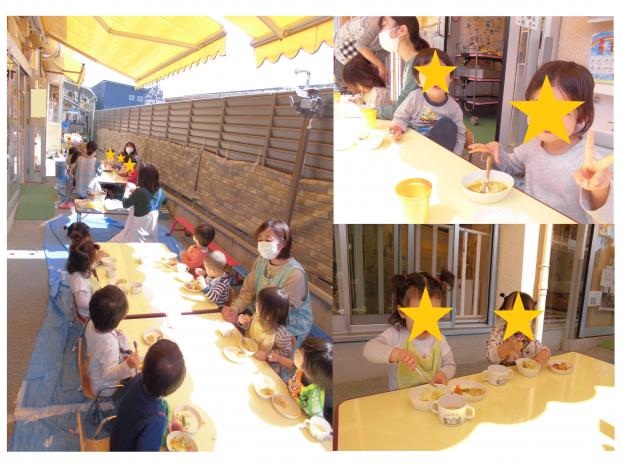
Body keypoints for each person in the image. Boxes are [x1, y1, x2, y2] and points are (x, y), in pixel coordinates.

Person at [469, 60, 613, 223]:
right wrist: (496, 152)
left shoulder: (590, 164)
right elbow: (508, 167)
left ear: (582, 117)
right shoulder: (533, 146)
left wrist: (601, 189)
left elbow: (605, 216)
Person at [221, 220, 313, 349]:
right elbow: (248, 291)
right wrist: (235, 309)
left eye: (268, 240)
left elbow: (278, 315)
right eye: (260, 239)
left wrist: (244, 321)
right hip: (261, 317)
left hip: (285, 330)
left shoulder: (295, 275)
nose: (263, 243)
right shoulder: (261, 260)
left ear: (284, 243)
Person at [363, 271, 456, 391]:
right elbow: (368, 349)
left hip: (431, 396)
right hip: (400, 398)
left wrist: (443, 374)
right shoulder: (396, 335)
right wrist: (395, 353)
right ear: (402, 312)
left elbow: (450, 364)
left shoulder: (439, 339)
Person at [110, 339, 186, 451]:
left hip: (117, 438)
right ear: (171, 391)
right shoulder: (156, 421)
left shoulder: (138, 378)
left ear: (143, 367)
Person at [389, 48, 466, 154]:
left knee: (447, 125)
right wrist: (398, 128)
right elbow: (400, 117)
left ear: (450, 78)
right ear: (418, 81)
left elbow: (460, 135)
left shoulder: (454, 109)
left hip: (437, 152)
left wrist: (456, 157)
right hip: (414, 146)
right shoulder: (415, 97)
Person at [85, 285, 141, 396]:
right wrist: (127, 366)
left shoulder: (92, 321)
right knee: (136, 375)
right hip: (102, 387)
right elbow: (107, 375)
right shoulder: (109, 345)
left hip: (93, 368)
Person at [376, 16, 430, 120]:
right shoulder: (412, 62)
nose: (381, 33)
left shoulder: (417, 64)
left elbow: (401, 110)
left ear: (402, 30)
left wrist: (370, 111)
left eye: (384, 26)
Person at [238, 287, 293, 380]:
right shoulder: (257, 315)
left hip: (265, 367)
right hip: (248, 353)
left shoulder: (280, 332)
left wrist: (267, 354)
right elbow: (250, 328)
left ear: (269, 314)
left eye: (258, 304)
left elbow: (286, 352)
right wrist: (245, 323)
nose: (255, 304)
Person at [485, 292, 551, 366]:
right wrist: (508, 347)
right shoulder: (498, 333)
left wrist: (544, 353)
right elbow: (490, 355)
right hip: (503, 372)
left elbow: (541, 348)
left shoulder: (527, 336)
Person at [110, 163, 166, 243]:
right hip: (151, 235)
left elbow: (125, 204)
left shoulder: (139, 192)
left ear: (142, 178)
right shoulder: (161, 192)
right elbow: (162, 201)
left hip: (136, 234)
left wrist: (127, 192)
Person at [285, 336, 332, 419]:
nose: (296, 352)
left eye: (299, 355)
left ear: (309, 372)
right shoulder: (301, 371)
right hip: (287, 401)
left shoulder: (322, 397)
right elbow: (292, 365)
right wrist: (278, 358)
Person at [334, 16, 388, 87]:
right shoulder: (375, 22)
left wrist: (379, 65)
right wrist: (379, 64)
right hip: (345, 57)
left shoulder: (379, 23)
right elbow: (360, 45)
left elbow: (384, 51)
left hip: (350, 55)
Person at [67, 239, 101, 320]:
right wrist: (103, 300)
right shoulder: (80, 285)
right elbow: (85, 304)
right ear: (86, 263)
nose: (95, 258)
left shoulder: (77, 267)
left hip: (92, 297)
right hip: (89, 313)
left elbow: (90, 267)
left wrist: (97, 260)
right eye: (94, 258)